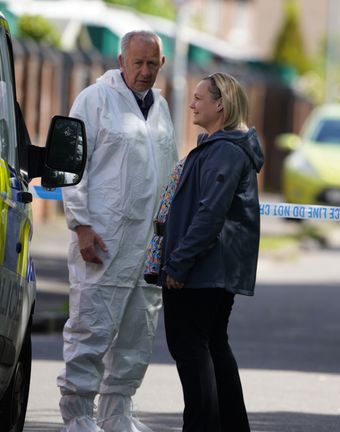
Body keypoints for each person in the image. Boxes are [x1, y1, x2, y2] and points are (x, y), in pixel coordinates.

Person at [57, 30, 178, 432]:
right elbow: (73, 167)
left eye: (152, 64)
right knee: (91, 328)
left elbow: (171, 174)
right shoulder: (94, 100)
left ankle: (117, 413)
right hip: (103, 238)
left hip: (147, 244)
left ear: (162, 64)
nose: (144, 72)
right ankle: (77, 416)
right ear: (121, 61)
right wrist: (82, 225)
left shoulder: (160, 107)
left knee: (135, 334)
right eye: (137, 62)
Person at [157, 72, 263, 432]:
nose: (191, 103)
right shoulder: (220, 147)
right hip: (211, 270)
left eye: (199, 97)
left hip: (203, 272)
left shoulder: (224, 151)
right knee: (213, 347)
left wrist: (178, 263)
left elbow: (209, 213)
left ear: (221, 104)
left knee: (192, 352)